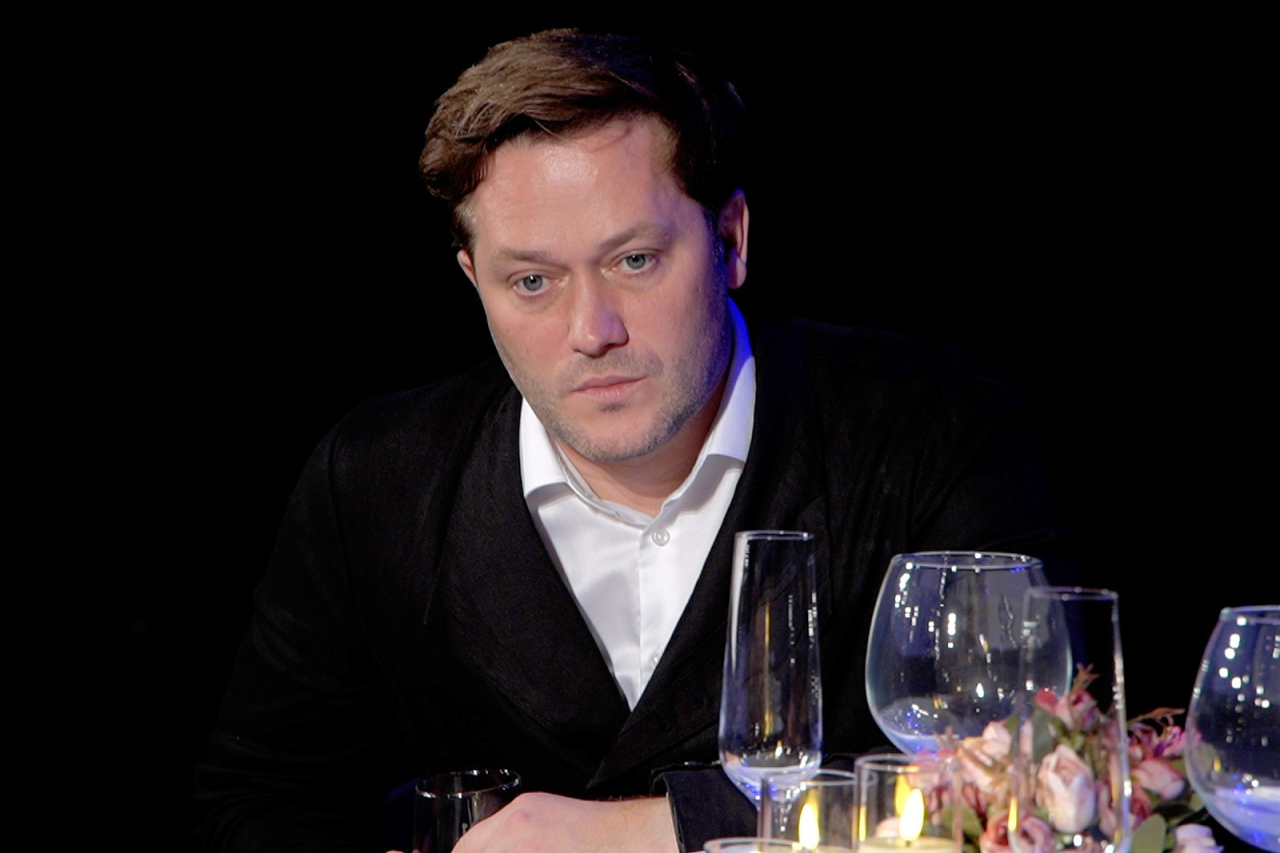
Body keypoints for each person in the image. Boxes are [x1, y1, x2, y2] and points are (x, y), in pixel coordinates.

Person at [195, 29, 1062, 852]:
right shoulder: (376, 479)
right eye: (531, 281)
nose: (591, 330)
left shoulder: (932, 430)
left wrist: (668, 829)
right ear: (473, 278)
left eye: (633, 261)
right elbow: (253, 798)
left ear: (731, 239)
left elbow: (1039, 771)